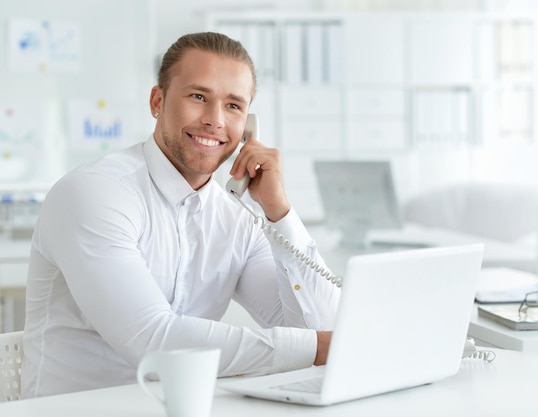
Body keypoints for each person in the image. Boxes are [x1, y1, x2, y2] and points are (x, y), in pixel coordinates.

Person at [21, 31, 341, 398]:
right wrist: (318, 348)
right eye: (198, 97)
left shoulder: (236, 218)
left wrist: (278, 212)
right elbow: (151, 339)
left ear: (247, 126)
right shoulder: (95, 193)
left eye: (233, 106)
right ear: (157, 101)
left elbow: (323, 327)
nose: (215, 121)